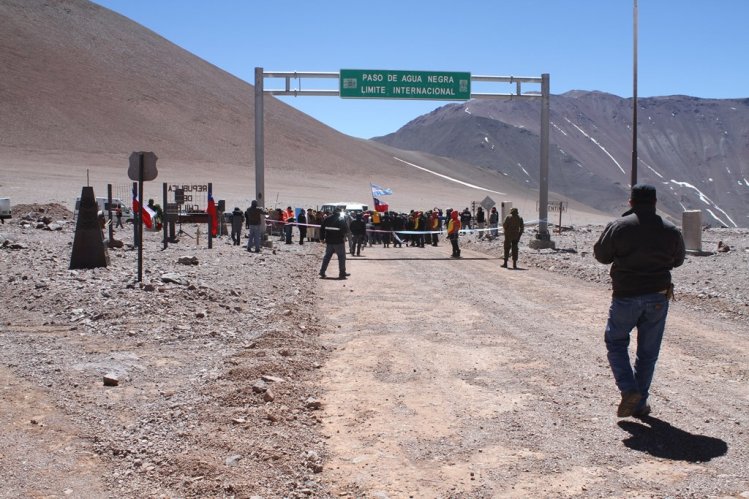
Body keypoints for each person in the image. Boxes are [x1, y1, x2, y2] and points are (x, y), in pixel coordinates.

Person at [594, 184, 685, 418]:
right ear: (655, 203)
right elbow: (678, 260)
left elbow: (602, 256)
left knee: (616, 342)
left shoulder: (619, 226)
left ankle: (629, 390)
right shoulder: (670, 229)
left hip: (626, 296)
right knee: (648, 352)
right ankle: (639, 402)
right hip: (658, 297)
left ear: (631, 202)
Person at [319, 210, 350, 279]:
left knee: (327, 257)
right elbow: (345, 230)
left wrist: (322, 238)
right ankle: (342, 273)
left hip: (329, 242)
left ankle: (322, 271)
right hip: (338, 242)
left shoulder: (327, 219)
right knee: (341, 257)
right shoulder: (341, 219)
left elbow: (322, 229)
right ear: (339, 213)